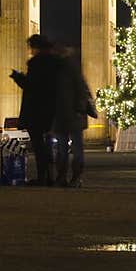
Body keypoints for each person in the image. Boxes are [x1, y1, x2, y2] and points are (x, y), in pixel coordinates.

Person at [10, 34, 62, 185]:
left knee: (39, 146)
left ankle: (42, 177)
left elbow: (32, 86)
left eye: (31, 47)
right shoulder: (55, 62)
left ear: (35, 47)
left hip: (35, 110)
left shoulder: (36, 63)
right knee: (48, 145)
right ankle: (51, 177)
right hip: (50, 109)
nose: (30, 51)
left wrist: (18, 77)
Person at [51, 45, 97, 187]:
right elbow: (83, 93)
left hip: (62, 117)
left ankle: (62, 177)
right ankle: (75, 178)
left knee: (62, 149)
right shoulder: (75, 70)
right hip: (75, 116)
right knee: (76, 149)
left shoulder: (55, 71)